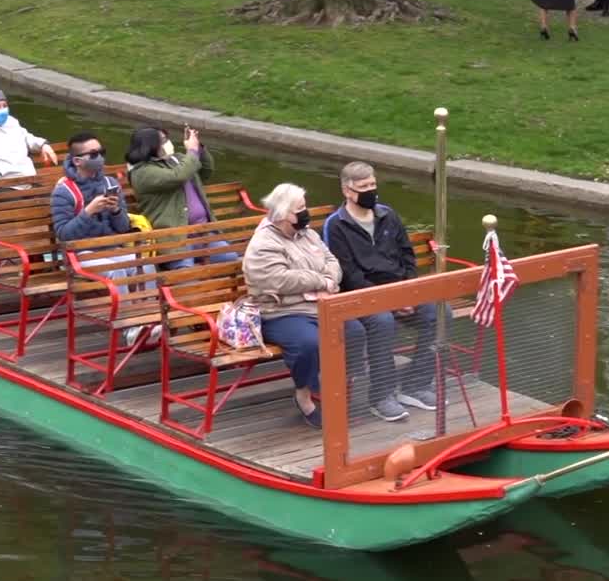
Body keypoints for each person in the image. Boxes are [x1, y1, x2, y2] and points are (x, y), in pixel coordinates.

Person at [243, 183, 403, 429]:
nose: (306, 213)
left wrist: (328, 277)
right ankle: (304, 396)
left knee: (354, 332)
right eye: (300, 209)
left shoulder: (307, 233)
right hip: (282, 311)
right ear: (284, 214)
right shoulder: (263, 243)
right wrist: (321, 280)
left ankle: (337, 393)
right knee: (309, 343)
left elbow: (331, 260)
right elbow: (280, 279)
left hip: (320, 304)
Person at [324, 162, 439, 419]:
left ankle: (416, 384)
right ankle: (381, 395)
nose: (370, 191)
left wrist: (409, 294)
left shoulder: (388, 215)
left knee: (438, 313)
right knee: (382, 322)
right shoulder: (336, 226)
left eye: (373, 185)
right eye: (363, 187)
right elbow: (349, 275)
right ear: (347, 191)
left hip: (398, 291)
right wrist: (389, 302)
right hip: (359, 297)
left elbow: (407, 257)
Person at [52, 132, 155, 344]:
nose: (100, 157)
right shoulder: (64, 192)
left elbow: (124, 228)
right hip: (80, 254)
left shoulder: (109, 183)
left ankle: (150, 320)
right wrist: (88, 212)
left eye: (102, 152)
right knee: (116, 270)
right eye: (94, 154)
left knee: (144, 266)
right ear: (78, 161)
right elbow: (63, 235)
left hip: (110, 248)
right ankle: (128, 328)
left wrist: (117, 210)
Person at [125, 125, 238, 269]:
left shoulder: (177, 159)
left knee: (231, 259)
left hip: (203, 232)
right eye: (163, 140)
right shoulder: (142, 172)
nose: (167, 143)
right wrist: (191, 150)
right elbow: (178, 176)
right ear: (150, 146)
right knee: (186, 273)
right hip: (175, 239)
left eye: (167, 138)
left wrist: (198, 146)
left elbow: (206, 171)